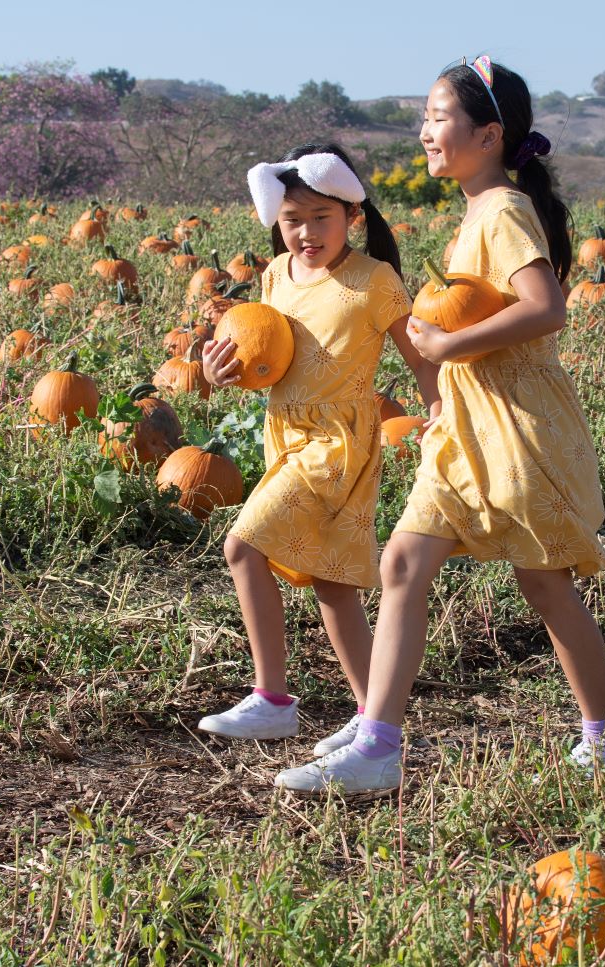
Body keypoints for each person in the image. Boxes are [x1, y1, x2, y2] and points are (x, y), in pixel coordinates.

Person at [275, 59, 605, 795]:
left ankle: (604, 733)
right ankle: (379, 740)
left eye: (438, 116)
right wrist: (441, 381)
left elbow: (545, 307)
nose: (424, 130)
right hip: (468, 422)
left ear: (488, 134)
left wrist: (443, 346)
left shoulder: (501, 210)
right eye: (426, 117)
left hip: (518, 424)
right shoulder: (478, 208)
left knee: (546, 583)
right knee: (403, 562)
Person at [197, 142, 440, 758]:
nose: (306, 233)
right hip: (285, 435)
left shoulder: (374, 281)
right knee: (333, 585)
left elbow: (419, 360)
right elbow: (262, 360)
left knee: (241, 546)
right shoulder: (275, 276)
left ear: (352, 215)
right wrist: (215, 371)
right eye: (292, 221)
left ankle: (273, 700)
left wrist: (440, 415)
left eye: (320, 218)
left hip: (337, 444)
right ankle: (371, 721)